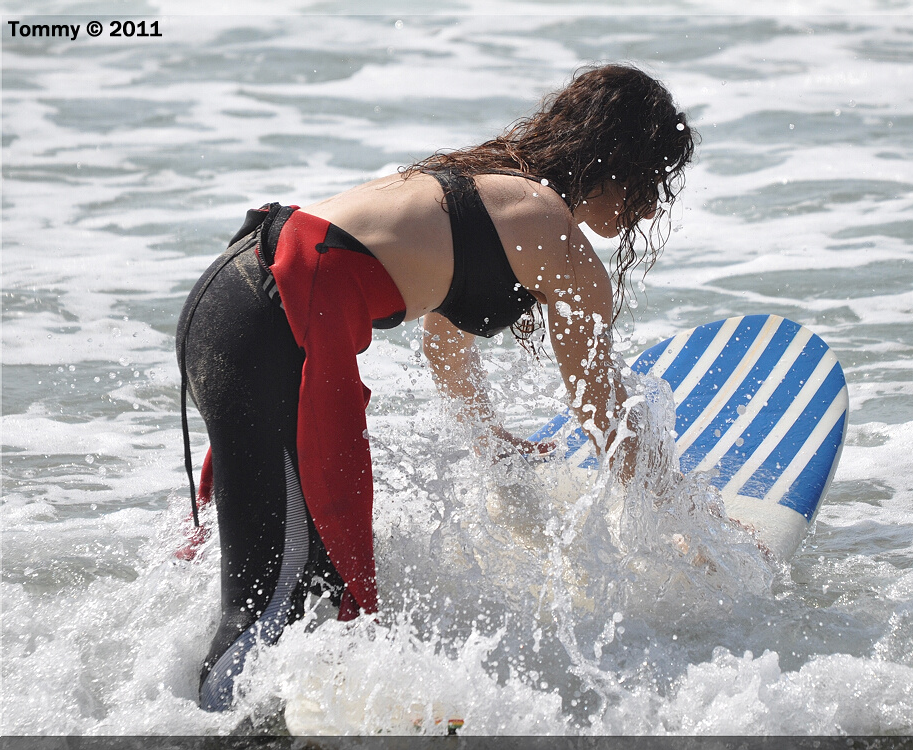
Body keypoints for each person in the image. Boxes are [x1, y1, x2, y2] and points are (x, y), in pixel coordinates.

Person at [175, 63, 695, 711]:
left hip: (235, 293)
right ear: (627, 163)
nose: (654, 204)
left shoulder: (484, 184)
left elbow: (446, 347)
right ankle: (203, 726)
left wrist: (488, 438)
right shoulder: (554, 236)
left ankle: (250, 717)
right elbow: (603, 411)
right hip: (270, 326)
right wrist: (686, 524)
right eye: (658, 179)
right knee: (271, 605)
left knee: (304, 587)